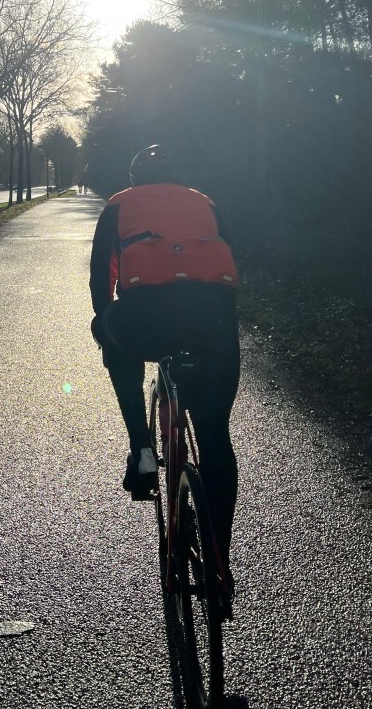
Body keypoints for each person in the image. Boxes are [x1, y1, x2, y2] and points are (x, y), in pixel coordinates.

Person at [89, 144, 241, 592]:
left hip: (147, 319)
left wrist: (106, 321)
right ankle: (219, 562)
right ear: (178, 178)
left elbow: (101, 281)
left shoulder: (119, 204)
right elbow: (228, 264)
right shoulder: (205, 202)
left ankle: (141, 449)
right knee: (214, 434)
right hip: (214, 321)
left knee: (109, 332)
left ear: (136, 179)